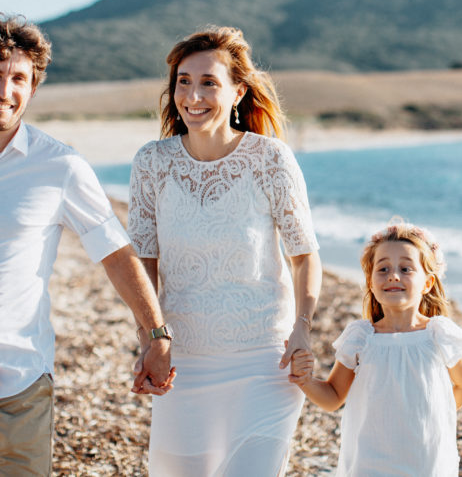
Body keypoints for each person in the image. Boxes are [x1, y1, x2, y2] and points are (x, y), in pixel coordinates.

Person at [0, 12, 173, 476]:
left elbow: (115, 253)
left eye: (19, 78)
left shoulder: (60, 166)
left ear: (33, 88)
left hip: (17, 382)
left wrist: (156, 334)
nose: (5, 90)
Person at [128, 25, 322, 476]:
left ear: (238, 91)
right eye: (184, 81)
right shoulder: (151, 163)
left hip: (264, 360)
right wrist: (149, 340)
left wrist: (303, 329)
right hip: (183, 361)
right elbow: (144, 263)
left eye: (209, 82)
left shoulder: (271, 158)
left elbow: (304, 254)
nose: (193, 95)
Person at [289, 221, 462, 477]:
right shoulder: (361, 338)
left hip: (425, 460)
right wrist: (305, 380)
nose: (393, 275)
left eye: (406, 268)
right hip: (370, 461)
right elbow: (333, 396)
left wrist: (430, 416)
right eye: (383, 268)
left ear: (427, 283)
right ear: (370, 282)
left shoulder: (438, 334)